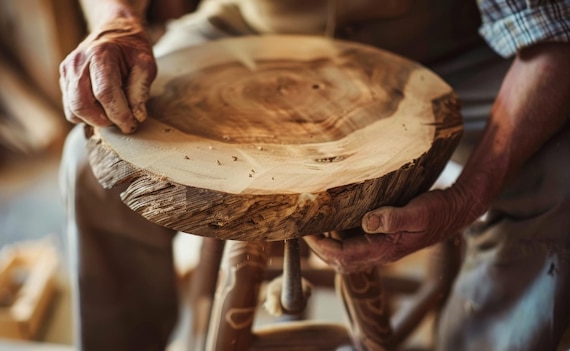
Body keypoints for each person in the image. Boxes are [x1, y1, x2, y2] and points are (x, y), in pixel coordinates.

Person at [59, 0, 570, 350]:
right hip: (255, 30)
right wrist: (116, 21)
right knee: (91, 159)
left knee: (556, 179)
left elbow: (553, 37)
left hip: (448, 49)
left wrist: (467, 197)